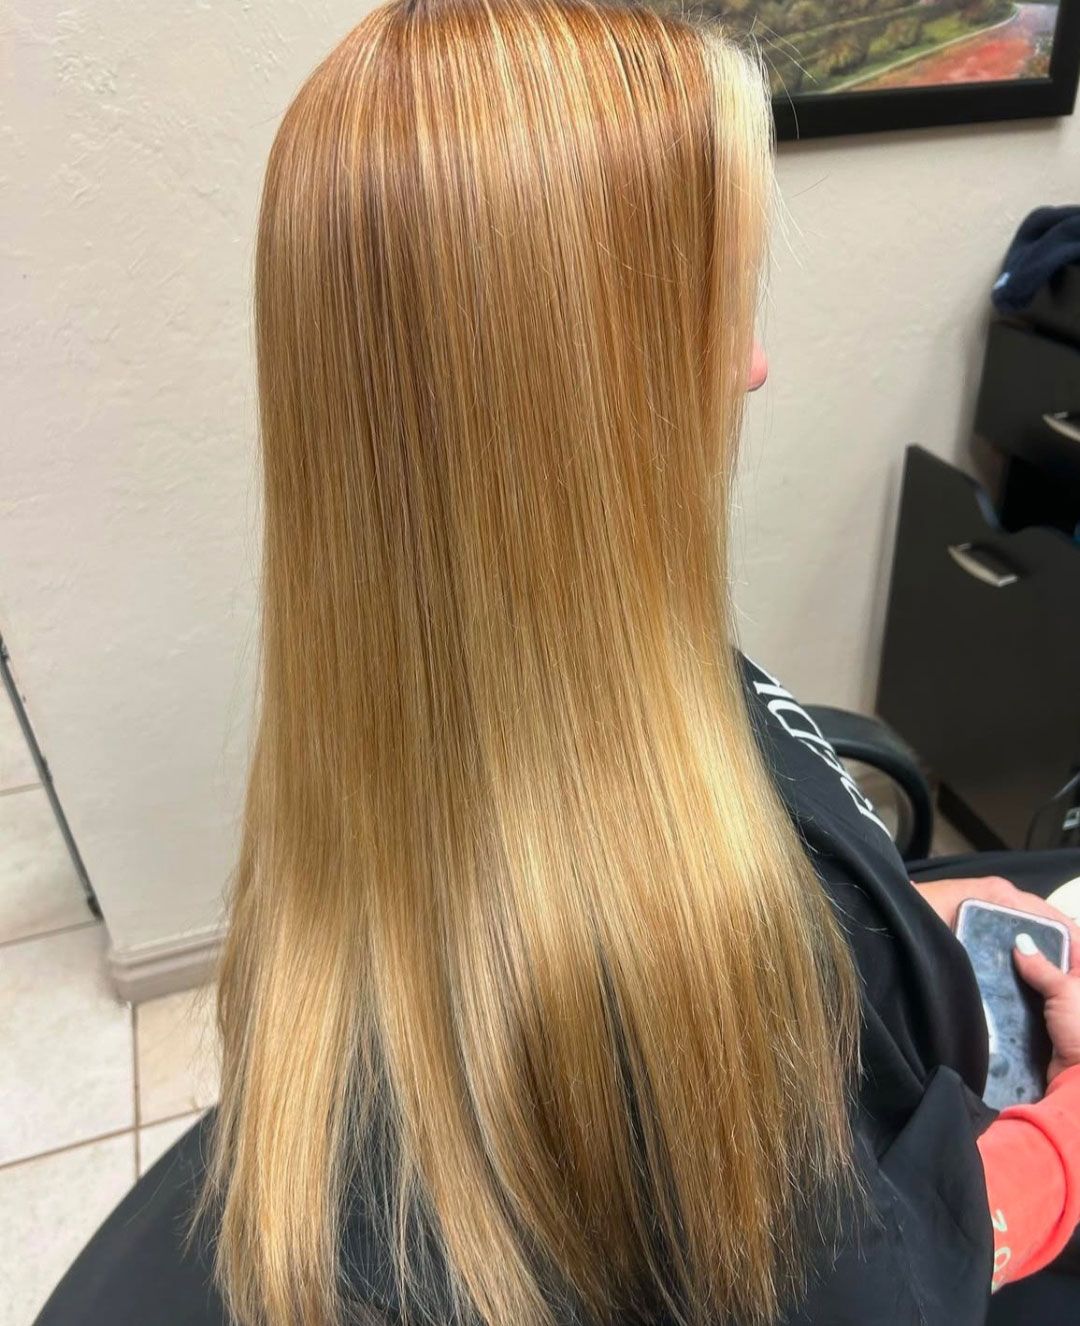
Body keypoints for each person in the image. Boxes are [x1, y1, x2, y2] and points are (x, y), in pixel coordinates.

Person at [34, 1, 1080, 1323]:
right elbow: (865, 1292)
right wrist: (1055, 1149)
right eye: (715, 306)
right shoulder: (654, 1002)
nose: (753, 367)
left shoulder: (422, 725)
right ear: (580, 390)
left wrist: (899, 910)